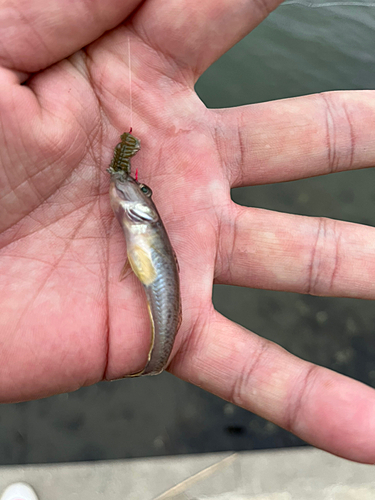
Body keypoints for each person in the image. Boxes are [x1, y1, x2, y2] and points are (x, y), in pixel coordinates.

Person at [0, 0, 374, 467]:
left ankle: (159, 353)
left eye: (137, 190)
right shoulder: (129, 208)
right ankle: (158, 355)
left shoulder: (136, 213)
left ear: (144, 206)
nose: (128, 188)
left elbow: (129, 204)